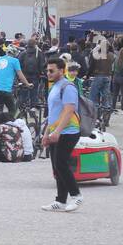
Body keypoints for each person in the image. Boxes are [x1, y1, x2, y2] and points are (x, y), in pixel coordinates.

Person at [41, 57, 83, 212]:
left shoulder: (68, 87)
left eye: (51, 70)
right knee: (56, 166)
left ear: (61, 70)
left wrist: (58, 131)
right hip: (56, 132)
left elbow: (69, 110)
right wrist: (47, 133)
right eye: (47, 70)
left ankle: (77, 196)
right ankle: (60, 200)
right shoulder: (54, 87)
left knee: (61, 163)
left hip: (69, 131)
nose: (48, 73)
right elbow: (52, 114)